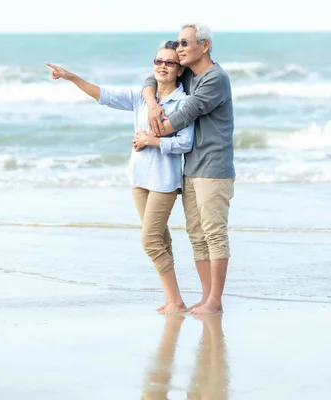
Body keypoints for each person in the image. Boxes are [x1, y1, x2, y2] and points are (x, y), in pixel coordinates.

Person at [46, 41, 195, 314]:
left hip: (164, 181)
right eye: (158, 61)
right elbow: (104, 95)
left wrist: (151, 140)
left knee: (150, 241)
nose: (162, 66)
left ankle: (176, 301)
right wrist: (72, 78)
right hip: (139, 179)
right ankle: (172, 299)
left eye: (169, 63)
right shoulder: (142, 97)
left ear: (180, 70)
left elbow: (185, 143)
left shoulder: (183, 103)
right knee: (161, 240)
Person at [138, 23, 235, 315]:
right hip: (191, 167)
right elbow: (150, 77)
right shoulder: (191, 75)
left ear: (203, 46)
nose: (179, 49)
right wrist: (151, 102)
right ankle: (206, 299)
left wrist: (152, 136)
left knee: (214, 233)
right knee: (196, 234)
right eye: (178, 44)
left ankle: (215, 301)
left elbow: (184, 116)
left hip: (214, 168)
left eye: (184, 43)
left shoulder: (214, 79)